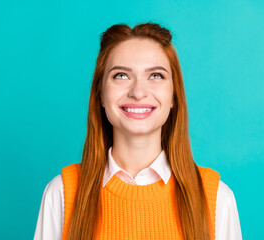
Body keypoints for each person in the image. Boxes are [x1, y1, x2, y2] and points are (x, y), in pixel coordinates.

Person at [34, 22, 242, 240]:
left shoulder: (216, 198)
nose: (138, 92)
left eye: (156, 76)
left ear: (173, 96)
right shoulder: (62, 193)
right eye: (121, 75)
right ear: (101, 95)